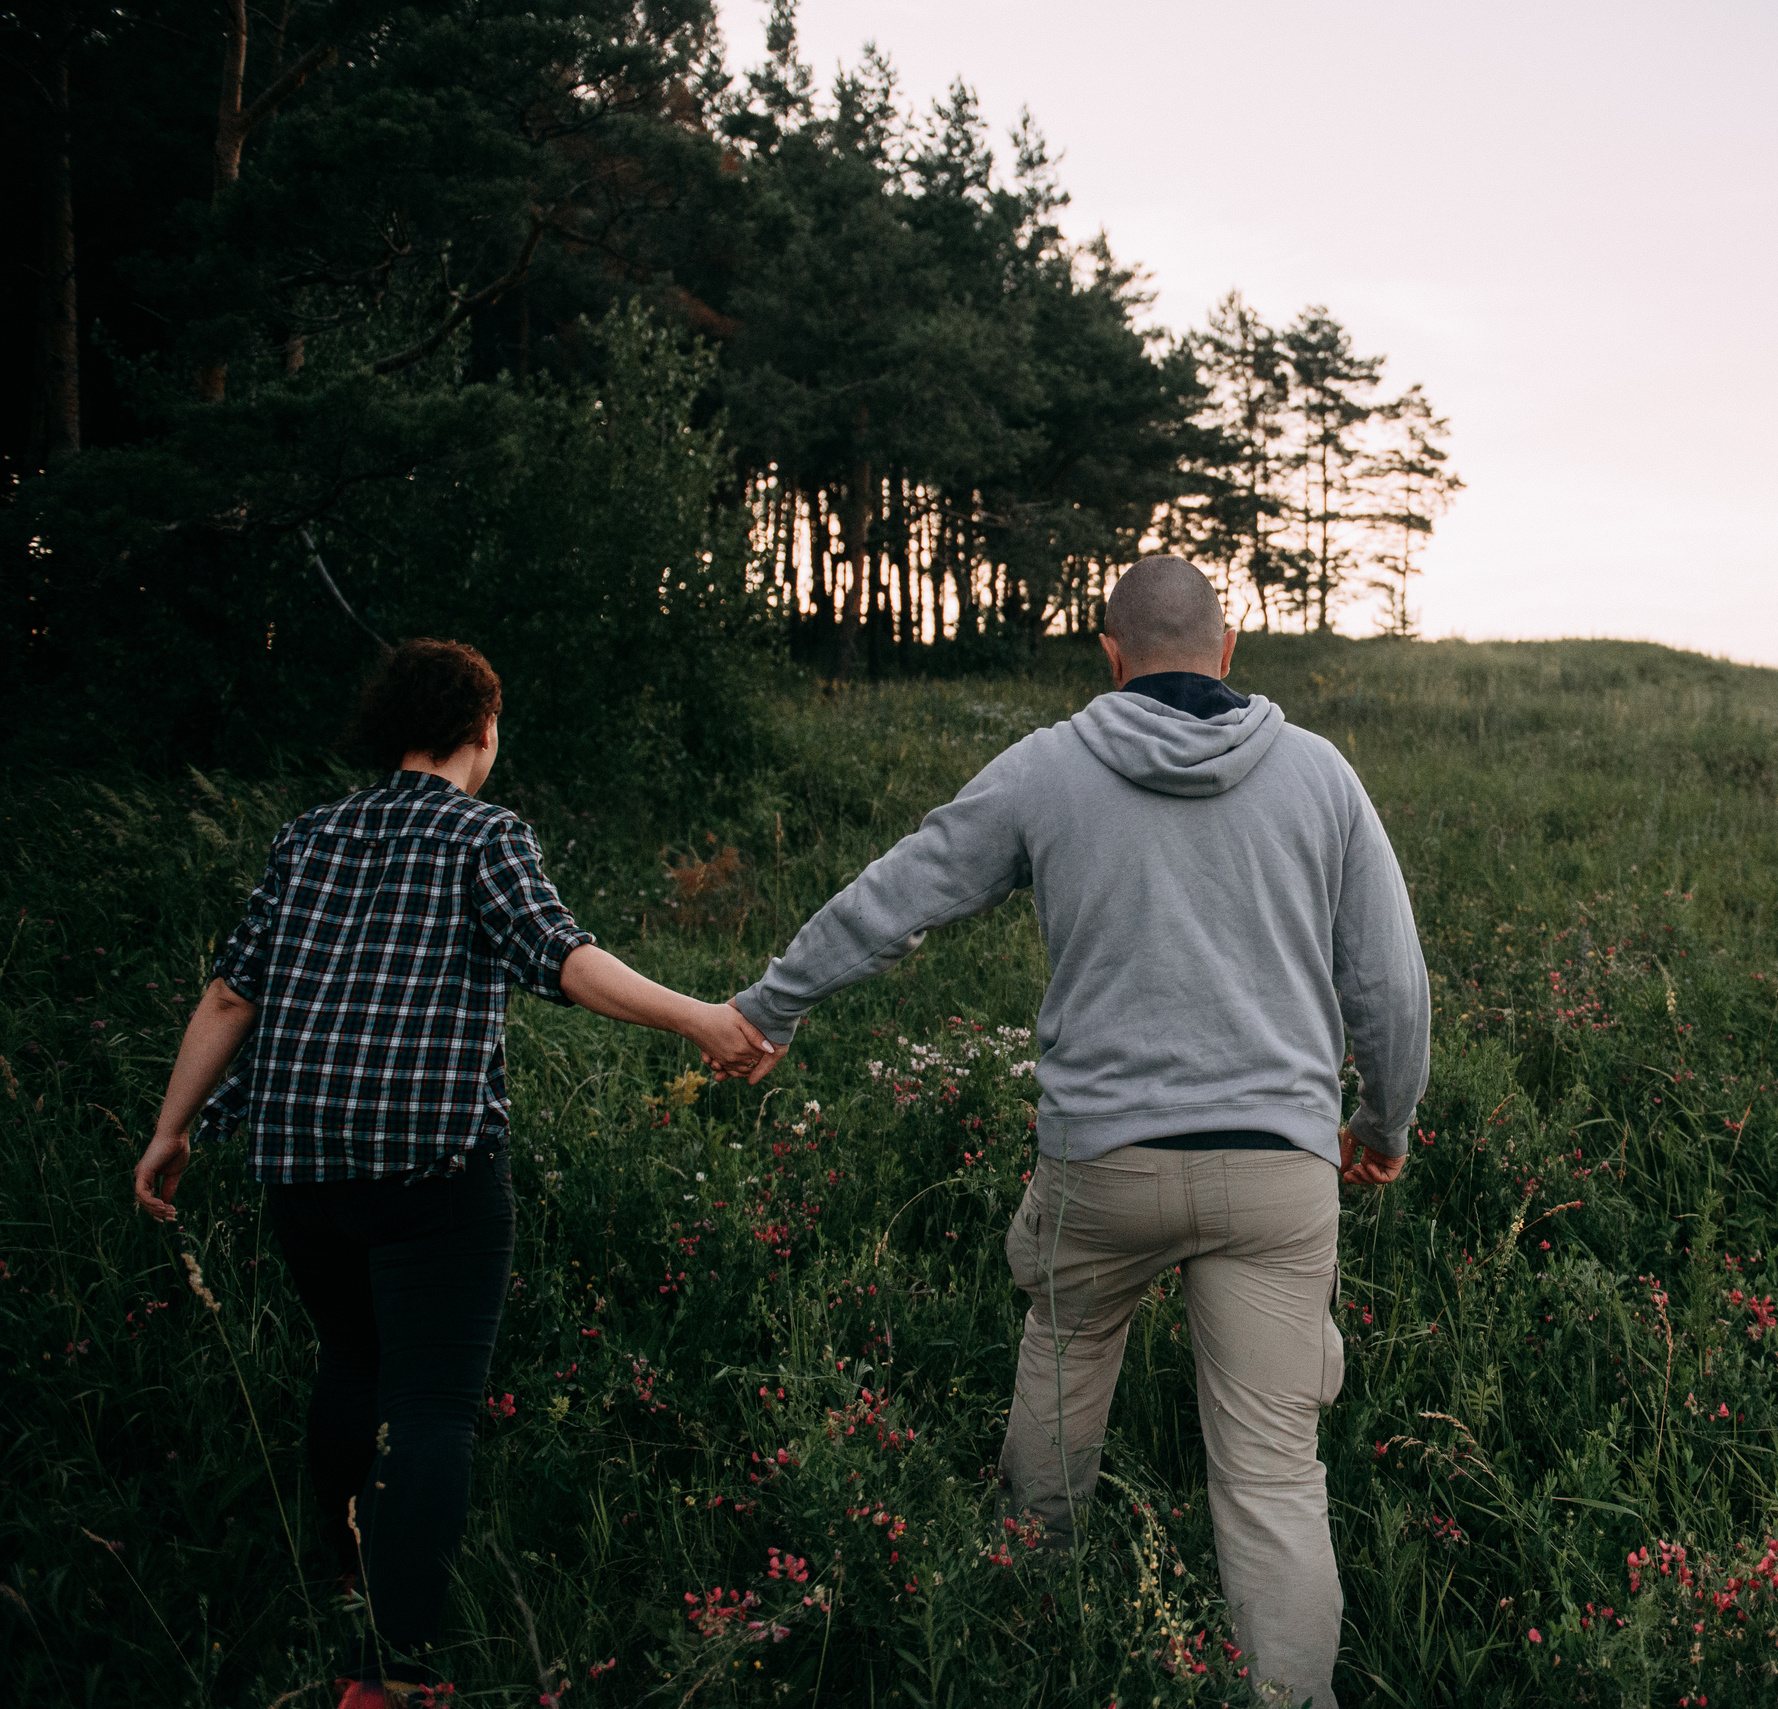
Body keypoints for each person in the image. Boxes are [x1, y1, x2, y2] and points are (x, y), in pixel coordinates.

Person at [729, 554, 1430, 1709]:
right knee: (1269, 1476)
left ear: (1108, 655)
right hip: (1276, 1169)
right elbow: (1392, 987)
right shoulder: (1319, 777)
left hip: (1102, 1164)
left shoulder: (1048, 768)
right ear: (1228, 648)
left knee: (1062, 1365)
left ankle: (1031, 1624)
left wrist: (770, 1005)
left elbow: (894, 896)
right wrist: (1383, 1120)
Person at [131, 638, 775, 1708]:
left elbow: (229, 995)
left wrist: (170, 1127)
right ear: (482, 731)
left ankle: (341, 1572)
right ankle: (389, 1674)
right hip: (433, 1166)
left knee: (350, 1357)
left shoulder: (310, 835)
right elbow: (564, 958)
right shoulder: (485, 834)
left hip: (297, 1158)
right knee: (432, 1404)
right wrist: (702, 1016)